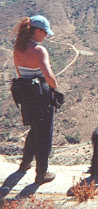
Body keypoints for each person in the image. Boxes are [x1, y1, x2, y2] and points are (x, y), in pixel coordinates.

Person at [13, 15, 58, 184]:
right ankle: (42, 173)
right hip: (41, 95)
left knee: (35, 128)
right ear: (37, 31)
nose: (46, 36)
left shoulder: (18, 47)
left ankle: (25, 163)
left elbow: (20, 73)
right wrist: (55, 88)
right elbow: (49, 76)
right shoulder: (39, 50)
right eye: (45, 32)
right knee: (45, 133)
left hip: (26, 94)